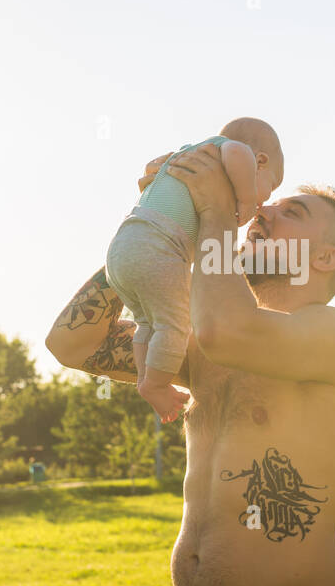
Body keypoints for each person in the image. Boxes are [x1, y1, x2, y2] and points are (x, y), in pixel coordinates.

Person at [46, 140, 335, 586]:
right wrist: (155, 226)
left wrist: (217, 210)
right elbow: (71, 343)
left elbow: (227, 330)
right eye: (265, 206)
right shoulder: (203, 345)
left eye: (291, 212)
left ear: (327, 258)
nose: (261, 211)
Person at [104, 118, 283, 423]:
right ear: (260, 161)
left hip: (122, 250)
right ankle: (156, 384)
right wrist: (245, 199)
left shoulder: (189, 157)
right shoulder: (231, 151)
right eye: (271, 187)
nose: (264, 203)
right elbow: (238, 154)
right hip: (156, 248)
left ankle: (146, 379)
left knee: (148, 324)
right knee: (175, 324)